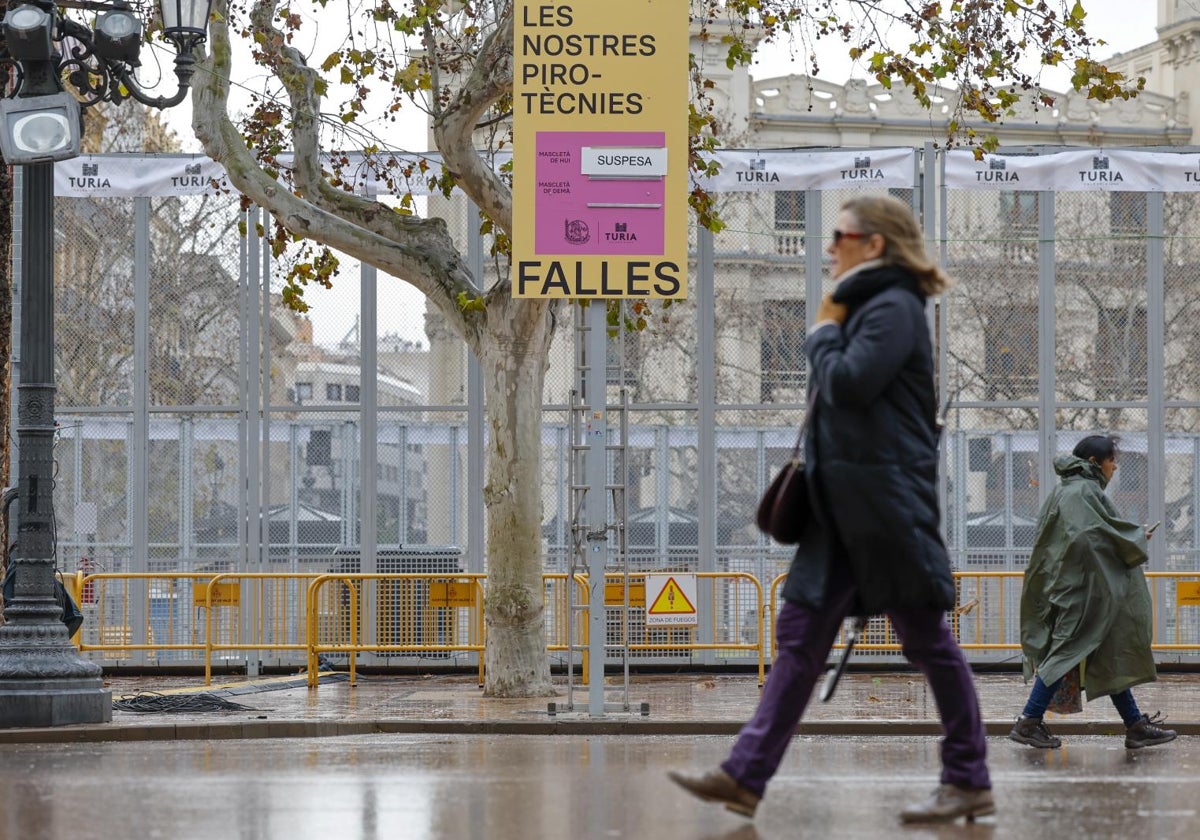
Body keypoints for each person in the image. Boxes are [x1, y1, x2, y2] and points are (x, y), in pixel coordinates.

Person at [668, 195, 992, 824]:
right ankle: (744, 776)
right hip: (844, 510)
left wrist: (818, 332)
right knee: (798, 640)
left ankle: (968, 777)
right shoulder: (871, 306)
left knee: (927, 642)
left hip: (885, 509)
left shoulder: (893, 307)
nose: (828, 246)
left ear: (873, 244)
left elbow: (848, 383)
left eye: (840, 235)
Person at [1009, 435, 1176, 750]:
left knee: (1105, 650)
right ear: (1094, 463)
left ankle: (1135, 725)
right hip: (1082, 594)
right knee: (1066, 653)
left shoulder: (1072, 491)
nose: (1115, 467)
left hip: (1083, 590)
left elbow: (1092, 534)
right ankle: (1028, 722)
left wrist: (1128, 538)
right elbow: (1088, 537)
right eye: (1112, 460)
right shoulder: (1082, 492)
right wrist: (1133, 539)